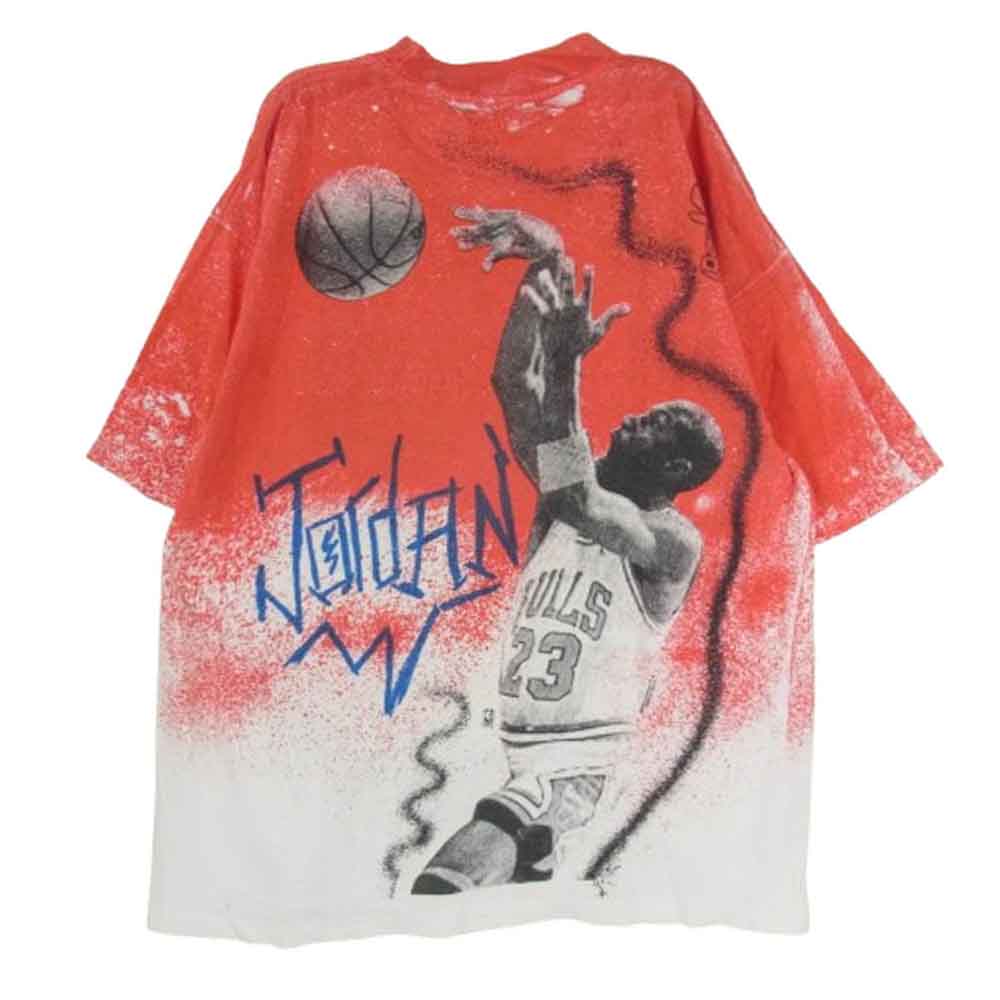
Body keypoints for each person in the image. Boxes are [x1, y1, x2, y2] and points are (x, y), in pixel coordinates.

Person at [412, 208, 725, 893]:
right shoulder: (559, 501)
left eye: (655, 424)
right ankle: (537, 857)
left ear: (676, 469)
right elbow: (512, 386)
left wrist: (564, 363)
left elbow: (580, 493)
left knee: (439, 889)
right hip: (521, 750)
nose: (633, 417)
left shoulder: (672, 541)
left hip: (581, 761)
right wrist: (545, 265)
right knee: (485, 885)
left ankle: (535, 845)